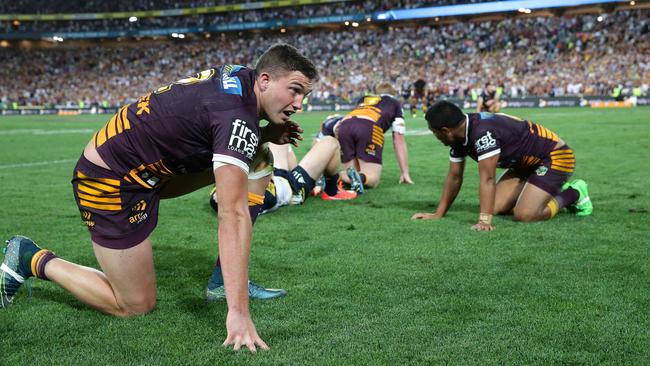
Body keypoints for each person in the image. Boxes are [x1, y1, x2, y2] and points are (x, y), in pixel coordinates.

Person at [1, 43, 318, 352]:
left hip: (148, 170)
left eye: (304, 95)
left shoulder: (241, 80)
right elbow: (232, 214)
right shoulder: (235, 114)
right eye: (294, 90)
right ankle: (30, 257)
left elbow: (212, 125)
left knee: (258, 159)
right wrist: (239, 313)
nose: (299, 104)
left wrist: (263, 135)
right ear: (264, 80)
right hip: (110, 181)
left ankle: (222, 281)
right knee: (135, 304)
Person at [412, 101, 592, 230]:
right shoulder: (460, 134)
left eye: (434, 132)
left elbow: (488, 179)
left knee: (525, 215)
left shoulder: (483, 133)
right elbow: (454, 176)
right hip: (524, 165)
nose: (435, 136)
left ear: (446, 131)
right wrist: (439, 213)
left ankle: (573, 193)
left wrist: (485, 221)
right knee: (495, 207)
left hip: (555, 156)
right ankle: (538, 191)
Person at [325, 83, 413, 193]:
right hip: (369, 125)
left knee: (353, 173)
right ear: (393, 93)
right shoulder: (395, 102)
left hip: (345, 124)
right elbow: (398, 138)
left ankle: (329, 178)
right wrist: (405, 172)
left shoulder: (365, 98)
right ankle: (333, 178)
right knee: (372, 179)